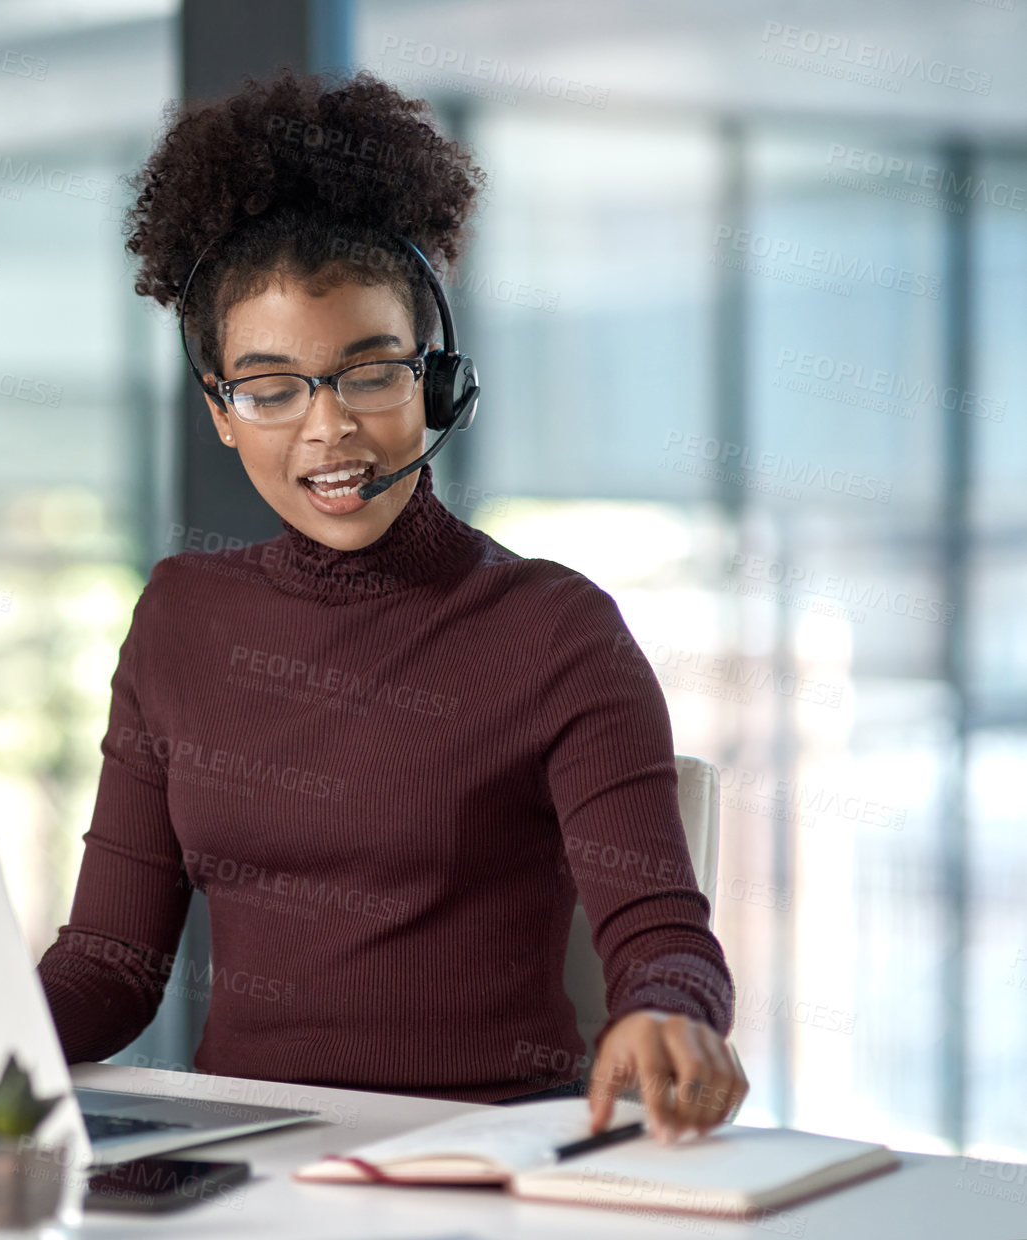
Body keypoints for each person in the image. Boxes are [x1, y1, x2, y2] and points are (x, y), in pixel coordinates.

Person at [37, 68, 747, 1142]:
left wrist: (667, 1013)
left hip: (483, 1163)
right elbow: (109, 967)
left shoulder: (555, 630)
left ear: (438, 380)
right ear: (221, 414)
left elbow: (662, 939)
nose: (326, 430)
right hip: (245, 1167)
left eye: (369, 373)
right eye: (271, 390)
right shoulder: (181, 617)